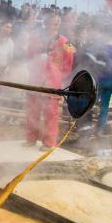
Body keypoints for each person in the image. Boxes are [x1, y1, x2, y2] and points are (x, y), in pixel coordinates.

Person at [24, 12, 74, 151]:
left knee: (50, 114)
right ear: (44, 23)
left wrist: (59, 78)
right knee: (32, 112)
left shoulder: (66, 42)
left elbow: (69, 64)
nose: (52, 26)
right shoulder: (35, 39)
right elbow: (28, 56)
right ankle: (30, 138)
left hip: (53, 83)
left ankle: (49, 142)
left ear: (58, 24)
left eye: (56, 24)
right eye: (50, 23)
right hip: (34, 81)